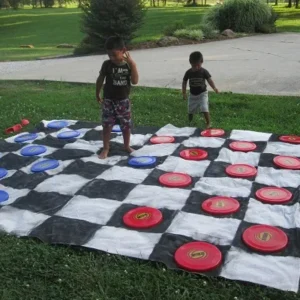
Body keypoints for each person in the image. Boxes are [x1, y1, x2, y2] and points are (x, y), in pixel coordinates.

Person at [96, 36, 139, 159]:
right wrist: (97, 93)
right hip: (108, 100)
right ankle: (106, 148)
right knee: (107, 125)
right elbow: (100, 79)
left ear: (123, 50)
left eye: (114, 55)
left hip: (123, 101)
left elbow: (135, 81)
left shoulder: (128, 65)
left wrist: (133, 64)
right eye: (109, 55)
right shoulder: (107, 65)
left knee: (126, 125)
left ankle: (126, 146)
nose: (112, 58)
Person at [182, 51, 219, 128]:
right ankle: (190, 121)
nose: (196, 67)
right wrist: (184, 93)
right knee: (190, 109)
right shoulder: (188, 72)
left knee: (204, 107)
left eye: (198, 65)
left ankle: (208, 123)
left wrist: (214, 88)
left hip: (202, 93)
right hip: (192, 94)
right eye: (194, 65)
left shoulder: (204, 71)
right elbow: (184, 82)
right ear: (190, 63)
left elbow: (209, 80)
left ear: (202, 62)